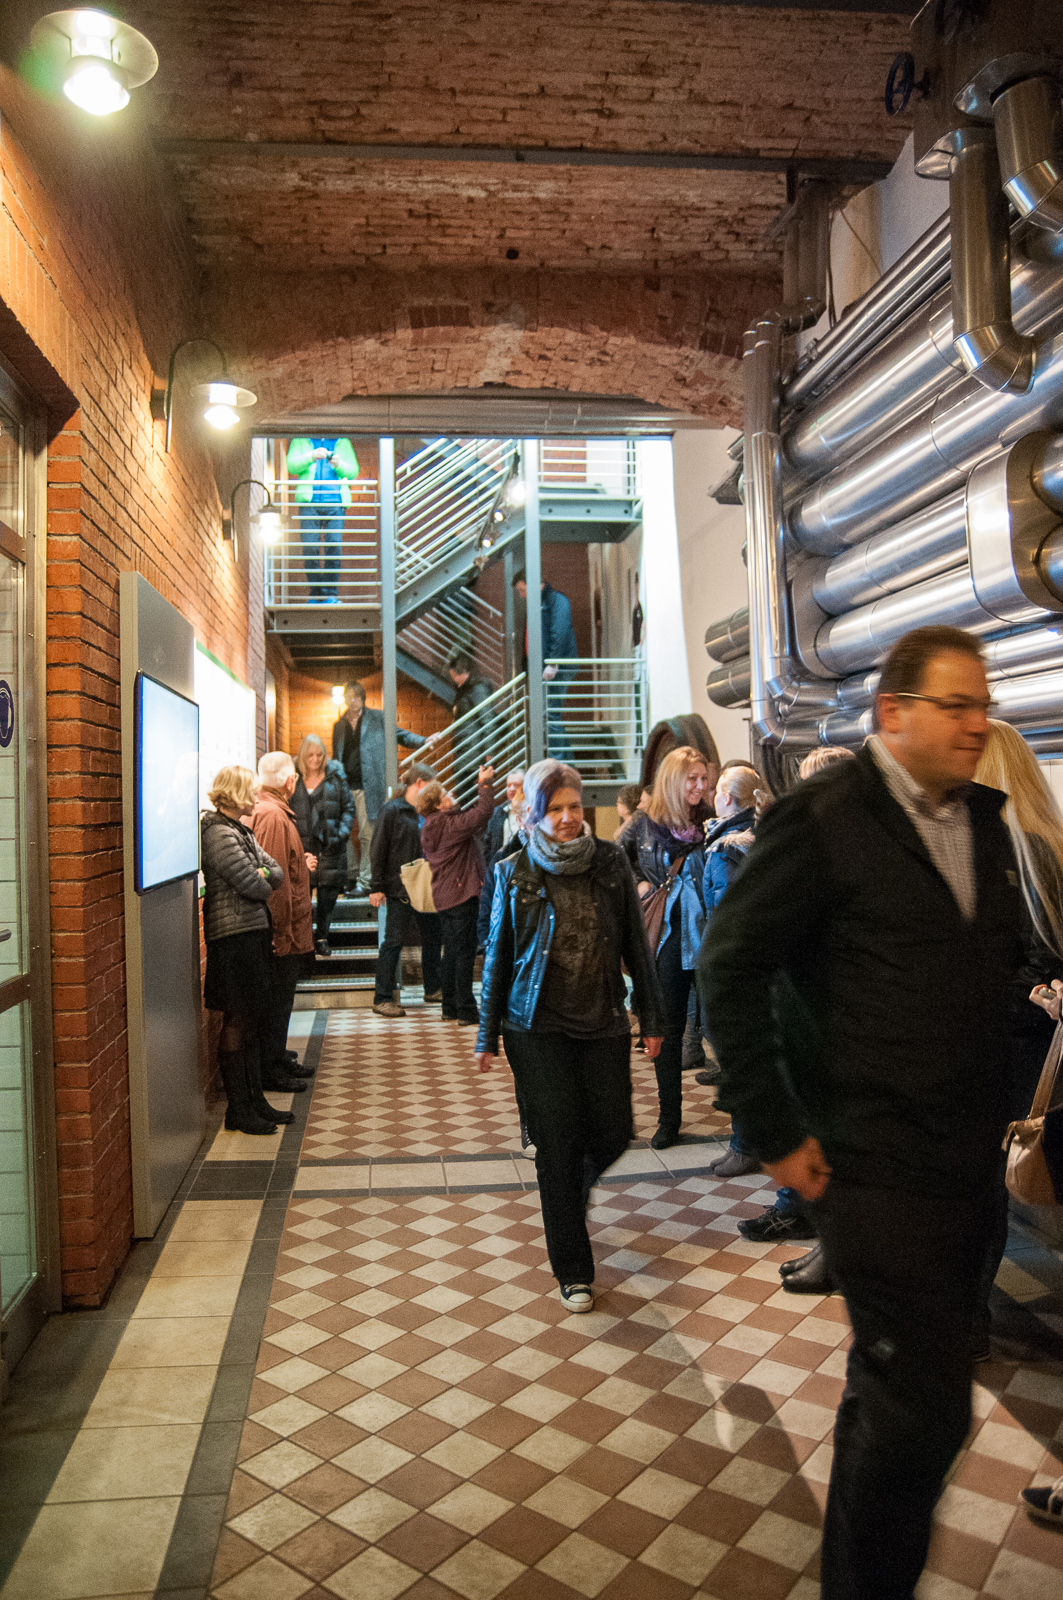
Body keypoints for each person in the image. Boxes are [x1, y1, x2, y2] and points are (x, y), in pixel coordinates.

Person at [699, 625, 1023, 1600]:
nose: (976, 724)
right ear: (893, 712)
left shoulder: (982, 819)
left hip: (965, 1160)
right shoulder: (826, 818)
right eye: (955, 705)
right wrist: (772, 1127)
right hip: (871, 1160)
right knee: (926, 1407)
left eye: (982, 704)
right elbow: (730, 964)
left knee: (891, 1389)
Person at [475, 759, 665, 1312]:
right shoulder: (513, 870)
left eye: (574, 807)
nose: (566, 818)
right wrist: (486, 1033)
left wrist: (652, 1018)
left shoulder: (609, 862)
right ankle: (574, 1269)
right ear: (535, 814)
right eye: (554, 809)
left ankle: (567, 1195)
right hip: (535, 1026)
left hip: (602, 1020)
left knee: (613, 1132)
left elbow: (635, 944)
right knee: (557, 1145)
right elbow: (499, 956)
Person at [972, 720, 1063, 1357]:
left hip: (1007, 1046)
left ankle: (969, 1323)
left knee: (981, 1193)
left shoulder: (1019, 852)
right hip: (1024, 1046)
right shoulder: (1046, 844)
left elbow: (1036, 968)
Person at [622, 745, 712, 1149]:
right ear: (673, 780)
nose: (700, 786)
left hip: (708, 933)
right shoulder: (644, 825)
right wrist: (639, 884)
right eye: (692, 778)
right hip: (668, 936)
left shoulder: (711, 819)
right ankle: (669, 1118)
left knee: (720, 1025)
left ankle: (746, 1122)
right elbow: (614, 860)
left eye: (703, 778)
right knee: (668, 1028)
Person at [200, 766, 290, 1134]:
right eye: (251, 791)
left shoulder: (240, 830)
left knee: (252, 1018)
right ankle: (239, 1109)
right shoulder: (218, 833)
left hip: (249, 935)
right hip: (233, 940)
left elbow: (276, 872)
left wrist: (262, 873)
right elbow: (257, 884)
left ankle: (255, 1102)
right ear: (235, 793)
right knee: (238, 1019)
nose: (256, 797)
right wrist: (262, 874)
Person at [250, 751, 317, 1093]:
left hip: (285, 926)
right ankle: (271, 1067)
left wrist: (300, 863)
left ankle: (276, 1057)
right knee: (277, 1002)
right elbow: (272, 883)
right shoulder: (274, 816)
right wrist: (280, 931)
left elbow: (279, 866)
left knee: (281, 1001)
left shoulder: (271, 811)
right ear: (290, 781)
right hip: (282, 930)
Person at [332, 679, 427, 895]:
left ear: (362, 698)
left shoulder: (378, 718)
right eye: (349, 696)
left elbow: (400, 734)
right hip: (344, 787)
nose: (352, 700)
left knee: (367, 834)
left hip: (370, 786)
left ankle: (365, 881)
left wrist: (423, 741)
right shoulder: (339, 725)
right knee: (341, 833)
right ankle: (351, 874)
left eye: (356, 696)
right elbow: (337, 756)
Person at [418, 766, 496, 1024]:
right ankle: (466, 1010)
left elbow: (476, 823)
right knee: (464, 954)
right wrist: (485, 784)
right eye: (446, 794)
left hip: (444, 897)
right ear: (438, 805)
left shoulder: (431, 827)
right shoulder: (449, 824)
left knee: (451, 952)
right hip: (462, 896)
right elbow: (483, 812)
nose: (451, 795)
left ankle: (449, 1007)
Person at [368, 763, 443, 1018]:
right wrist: (377, 886)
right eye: (431, 785)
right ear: (419, 783)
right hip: (399, 887)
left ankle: (433, 988)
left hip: (426, 886)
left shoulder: (429, 811)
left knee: (433, 938)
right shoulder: (393, 810)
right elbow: (378, 847)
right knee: (393, 942)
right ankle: (382, 997)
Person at [291, 734, 353, 956]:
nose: (315, 760)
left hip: (331, 848)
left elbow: (349, 808)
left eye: (319, 755)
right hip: (302, 848)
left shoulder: (336, 776)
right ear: (302, 756)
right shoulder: (293, 777)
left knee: (328, 897)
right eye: (310, 755)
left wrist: (341, 834)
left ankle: (322, 937)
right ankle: (305, 939)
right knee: (302, 898)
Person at [514, 569, 579, 762]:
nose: (521, 595)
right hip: (546, 669)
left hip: (556, 669)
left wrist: (552, 662)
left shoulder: (556, 601)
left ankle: (557, 762)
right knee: (549, 716)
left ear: (534, 583)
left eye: (522, 590)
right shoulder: (541, 603)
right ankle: (565, 764)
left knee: (549, 716)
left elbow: (560, 632)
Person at [285, 437, 360, 602]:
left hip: (336, 503)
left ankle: (330, 594)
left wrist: (339, 464)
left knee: (333, 547)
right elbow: (291, 465)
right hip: (309, 503)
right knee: (310, 548)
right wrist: (311, 456)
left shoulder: (343, 442)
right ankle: (317, 594)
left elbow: (353, 471)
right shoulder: (300, 440)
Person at [477, 769, 527, 947]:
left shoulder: (530, 817)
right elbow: (488, 843)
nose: (511, 789)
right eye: (508, 785)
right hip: (499, 873)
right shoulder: (498, 813)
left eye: (517, 785)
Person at [445, 647, 497, 806]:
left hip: (472, 755)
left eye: (456, 675)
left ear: (465, 672)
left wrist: (489, 752)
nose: (455, 680)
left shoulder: (478, 689)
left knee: (468, 799)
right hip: (468, 753)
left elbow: (488, 720)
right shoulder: (471, 690)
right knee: (466, 798)